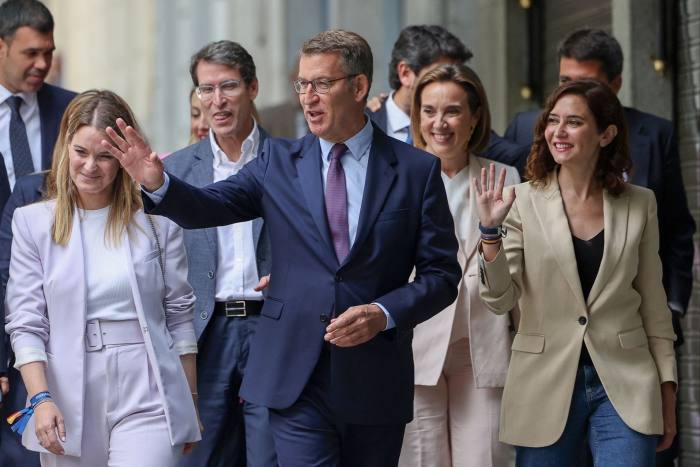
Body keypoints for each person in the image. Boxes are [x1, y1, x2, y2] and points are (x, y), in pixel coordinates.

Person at [103, 29, 461, 467]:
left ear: (359, 86)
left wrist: (382, 314)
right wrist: (156, 181)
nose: (307, 97)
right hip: (295, 376)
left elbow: (441, 276)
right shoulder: (278, 162)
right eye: (301, 84)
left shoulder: (415, 170)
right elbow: (207, 206)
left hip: (374, 377)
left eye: (322, 84)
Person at [499, 31, 693, 465]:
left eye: (574, 121)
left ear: (605, 135)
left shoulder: (640, 203)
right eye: (552, 120)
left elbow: (655, 308)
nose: (558, 131)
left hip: (625, 380)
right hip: (545, 382)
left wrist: (667, 389)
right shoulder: (521, 200)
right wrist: (489, 234)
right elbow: (498, 298)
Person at [4, 89, 201, 466]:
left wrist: (189, 401)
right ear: (65, 148)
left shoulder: (157, 223)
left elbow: (179, 314)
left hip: (149, 387)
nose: (91, 166)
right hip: (66, 392)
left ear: (124, 156)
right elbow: (26, 321)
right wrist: (40, 399)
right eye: (81, 152)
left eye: (106, 156)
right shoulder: (33, 224)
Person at [397, 63, 516, 467]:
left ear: (475, 116)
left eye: (452, 111)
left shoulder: (506, 178)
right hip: (412, 350)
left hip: (480, 347)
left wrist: (489, 230)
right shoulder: (395, 177)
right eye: (428, 111)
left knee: (485, 457)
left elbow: (512, 276)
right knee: (419, 460)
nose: (439, 123)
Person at [169, 40, 276, 467]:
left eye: (228, 86)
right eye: (205, 90)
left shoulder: (290, 159)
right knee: (203, 456)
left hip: (270, 327)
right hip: (204, 333)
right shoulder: (176, 170)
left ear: (252, 87)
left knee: (269, 454)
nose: (216, 101)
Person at [0, 1, 75, 464]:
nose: (42, 64)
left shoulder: (70, 110)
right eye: (30, 53)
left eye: (48, 52)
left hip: (51, 303)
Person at [370, 25, 472, 143]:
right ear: (405, 73)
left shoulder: (463, 125)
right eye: (439, 75)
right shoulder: (361, 123)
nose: (451, 85)